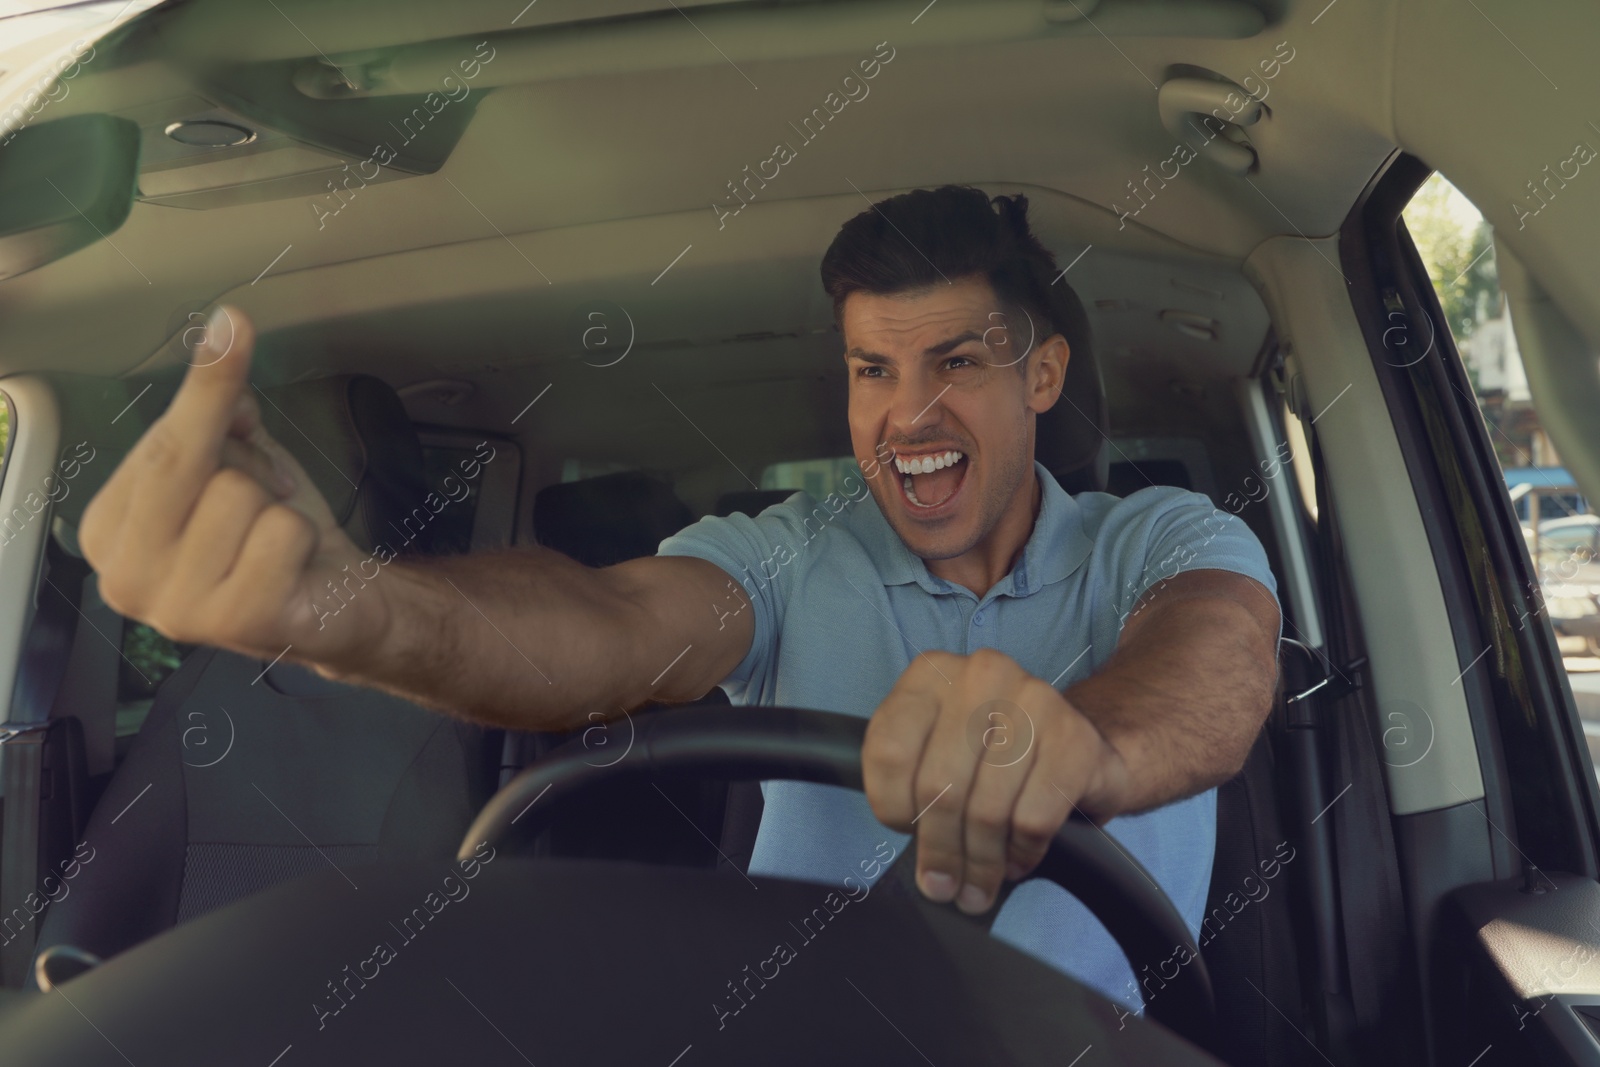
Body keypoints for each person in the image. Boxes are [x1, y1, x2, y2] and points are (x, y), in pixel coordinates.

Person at [79, 184, 1280, 1009]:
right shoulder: (789, 553)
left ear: (1042, 373)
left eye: (956, 362)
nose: (908, 414)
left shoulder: (1158, 535)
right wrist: (358, 609)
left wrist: (1087, 742)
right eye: (873, 368)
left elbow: (1214, 651)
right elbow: (606, 627)